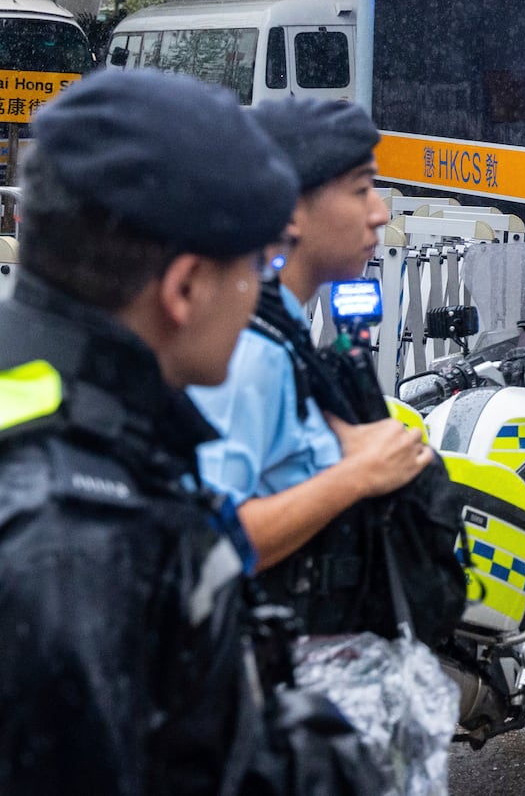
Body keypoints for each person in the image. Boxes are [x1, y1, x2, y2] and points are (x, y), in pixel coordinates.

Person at [0, 68, 301, 792]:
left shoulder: (55, 418)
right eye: (255, 267)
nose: (260, 292)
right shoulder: (75, 549)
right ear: (184, 288)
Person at [189, 97, 455, 642]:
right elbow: (210, 542)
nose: (380, 212)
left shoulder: (280, 332)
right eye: (360, 190)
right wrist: (356, 475)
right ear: (288, 211)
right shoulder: (249, 352)